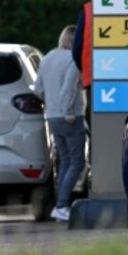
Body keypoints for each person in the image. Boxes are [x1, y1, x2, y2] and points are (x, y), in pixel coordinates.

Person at [35, 24, 87, 223]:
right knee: (77, 162)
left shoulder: (47, 58)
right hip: (70, 117)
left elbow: (38, 89)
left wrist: (52, 104)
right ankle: (62, 205)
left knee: (64, 160)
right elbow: (68, 88)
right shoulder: (74, 59)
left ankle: (61, 207)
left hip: (52, 116)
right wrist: (68, 111)